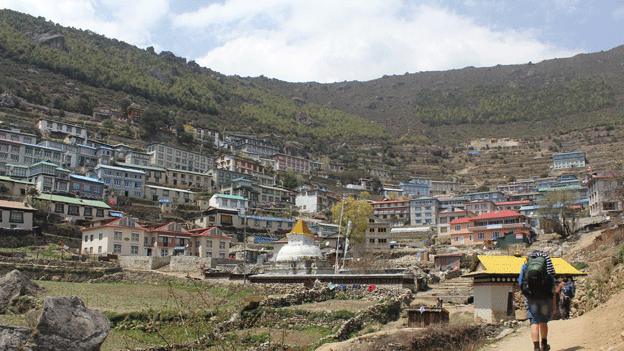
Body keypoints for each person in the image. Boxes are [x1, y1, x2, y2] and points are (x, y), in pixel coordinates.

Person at [519, 250, 556, 351]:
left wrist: (527, 293)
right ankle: (544, 345)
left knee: (534, 321)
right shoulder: (546, 265)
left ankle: (536, 348)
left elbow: (520, 282)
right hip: (545, 298)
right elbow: (552, 282)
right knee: (543, 321)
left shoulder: (525, 266)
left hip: (532, 299)